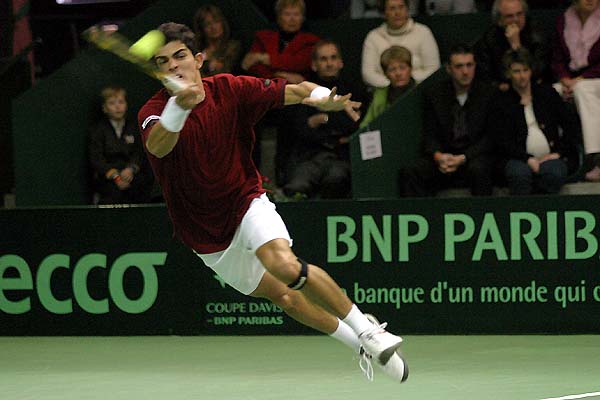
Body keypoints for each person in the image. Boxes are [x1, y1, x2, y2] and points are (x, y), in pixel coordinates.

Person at [137, 22, 408, 383]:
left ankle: (370, 331)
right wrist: (178, 109)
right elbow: (158, 146)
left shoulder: (230, 89)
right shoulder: (154, 111)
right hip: (206, 236)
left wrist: (323, 97)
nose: (173, 65)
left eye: (180, 56)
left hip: (245, 201)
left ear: (198, 60)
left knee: (284, 265)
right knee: (287, 299)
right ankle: (360, 343)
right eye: (163, 62)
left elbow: (296, 90)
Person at [402, 44, 495, 197]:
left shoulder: (488, 93)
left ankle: (482, 211)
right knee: (411, 172)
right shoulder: (435, 94)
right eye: (459, 66)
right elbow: (429, 134)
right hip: (444, 157)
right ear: (449, 69)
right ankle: (420, 212)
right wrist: (438, 156)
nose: (465, 71)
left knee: (480, 169)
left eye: (469, 65)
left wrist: (463, 158)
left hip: (473, 156)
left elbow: (490, 138)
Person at [283, 39, 366, 199]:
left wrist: (322, 119)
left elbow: (354, 126)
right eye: (323, 59)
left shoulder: (354, 91)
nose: (329, 63)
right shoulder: (304, 90)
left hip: (341, 157)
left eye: (333, 58)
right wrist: (332, 124)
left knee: (336, 179)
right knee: (297, 187)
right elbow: (300, 129)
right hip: (310, 156)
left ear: (341, 62)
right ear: (314, 65)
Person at [491, 49, 578, 194]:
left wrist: (558, 153)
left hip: (551, 156)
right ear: (508, 73)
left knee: (554, 172)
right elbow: (501, 140)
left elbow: (570, 125)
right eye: (517, 71)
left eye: (525, 70)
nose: (522, 76)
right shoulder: (501, 101)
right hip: (516, 158)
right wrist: (527, 159)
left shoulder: (547, 93)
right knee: (519, 174)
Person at [552, 0, 600, 181]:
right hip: (571, 79)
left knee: (583, 90)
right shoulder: (563, 20)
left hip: (594, 78)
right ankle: (556, 155)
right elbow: (557, 58)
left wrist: (580, 79)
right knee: (552, 92)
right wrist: (564, 78)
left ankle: (595, 158)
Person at [88, 85, 152, 205]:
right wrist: (116, 176)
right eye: (112, 103)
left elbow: (140, 152)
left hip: (132, 176)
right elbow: (96, 159)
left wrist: (130, 170)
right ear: (104, 108)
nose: (117, 106)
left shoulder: (134, 127)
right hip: (108, 178)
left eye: (121, 102)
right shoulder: (98, 130)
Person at [361, 0, 440, 88]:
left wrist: (408, 83)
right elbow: (368, 74)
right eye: (392, 8)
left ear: (407, 9)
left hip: (419, 89)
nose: (397, 12)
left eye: (401, 7)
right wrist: (392, 85)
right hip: (384, 90)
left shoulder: (423, 32)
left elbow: (433, 69)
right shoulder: (373, 37)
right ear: (384, 12)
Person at [474, 0, 551, 90]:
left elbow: (537, 73)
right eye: (509, 16)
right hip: (500, 92)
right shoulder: (488, 39)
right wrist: (499, 85)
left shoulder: (537, 36)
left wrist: (516, 46)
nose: (516, 19)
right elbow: (485, 75)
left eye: (519, 14)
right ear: (499, 20)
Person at [241, 0, 319, 84]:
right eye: (287, 14)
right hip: (265, 86)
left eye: (296, 14)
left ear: (302, 18)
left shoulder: (311, 41)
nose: (292, 19)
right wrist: (278, 76)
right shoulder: (262, 37)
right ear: (279, 18)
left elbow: (301, 63)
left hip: (298, 88)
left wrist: (266, 58)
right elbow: (253, 65)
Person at [360, 45, 416, 128]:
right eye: (392, 69)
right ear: (385, 74)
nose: (398, 73)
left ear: (410, 68)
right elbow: (366, 126)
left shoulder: (421, 90)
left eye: (402, 67)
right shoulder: (379, 95)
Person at [193, 4, 241, 77]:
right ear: (202, 29)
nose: (213, 27)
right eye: (208, 24)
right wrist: (210, 65)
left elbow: (224, 71)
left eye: (216, 21)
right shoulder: (197, 50)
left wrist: (206, 66)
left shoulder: (232, 47)